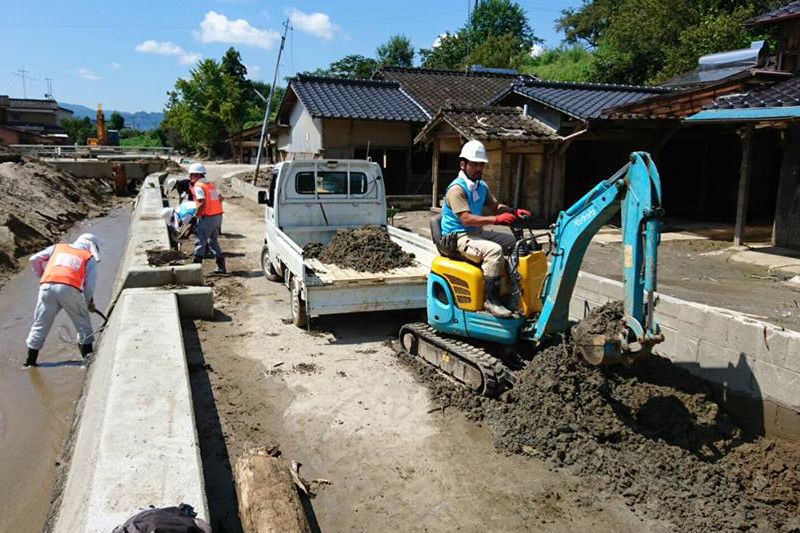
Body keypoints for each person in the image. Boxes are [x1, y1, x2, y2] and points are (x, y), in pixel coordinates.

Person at [440, 140, 531, 318]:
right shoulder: (457, 189)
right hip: (458, 236)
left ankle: (512, 291)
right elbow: (466, 219)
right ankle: (492, 300)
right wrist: (496, 220)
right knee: (494, 251)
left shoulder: (481, 186)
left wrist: (514, 211)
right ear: (463, 164)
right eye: (474, 164)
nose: (478, 168)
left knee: (519, 244)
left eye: (481, 164)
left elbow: (495, 206)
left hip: (476, 233)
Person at [24, 233, 101, 367]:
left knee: (40, 324)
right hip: (69, 289)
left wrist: (42, 276)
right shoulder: (88, 257)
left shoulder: (58, 248)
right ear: (92, 246)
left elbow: (34, 259)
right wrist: (88, 302)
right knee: (83, 323)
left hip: (46, 287)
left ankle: (30, 362)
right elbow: (90, 284)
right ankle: (87, 362)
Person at [188, 163, 226, 274]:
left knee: (200, 241)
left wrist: (196, 216)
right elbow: (220, 198)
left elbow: (201, 203)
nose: (190, 178)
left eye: (191, 175)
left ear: (196, 175)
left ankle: (195, 270)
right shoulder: (209, 185)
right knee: (213, 242)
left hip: (208, 218)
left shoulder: (198, 186)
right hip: (218, 217)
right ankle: (221, 267)